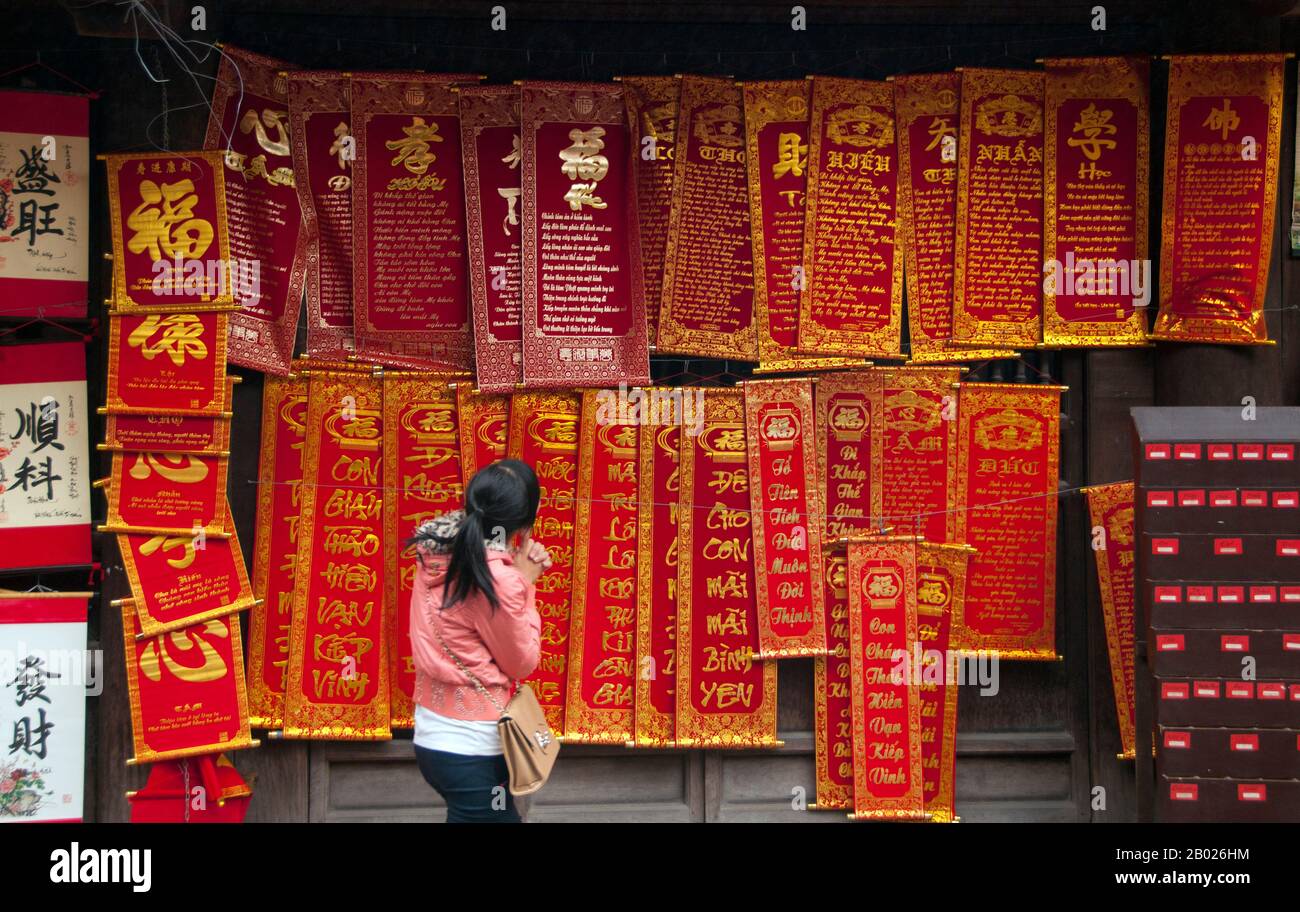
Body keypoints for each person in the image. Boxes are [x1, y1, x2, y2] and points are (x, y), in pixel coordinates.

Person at [407, 458, 552, 823]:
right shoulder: (497, 578)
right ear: (524, 521)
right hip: (473, 746)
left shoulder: (437, 553)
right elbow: (522, 661)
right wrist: (524, 583)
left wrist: (514, 572)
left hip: (435, 738)